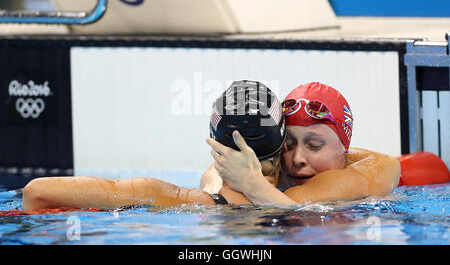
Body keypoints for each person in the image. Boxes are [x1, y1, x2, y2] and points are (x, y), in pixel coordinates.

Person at [22, 80, 285, 210]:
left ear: (215, 146)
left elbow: (37, 192)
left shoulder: (179, 200)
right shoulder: (315, 195)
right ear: (283, 144)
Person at [205, 82, 402, 206]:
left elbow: (294, 209)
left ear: (344, 147)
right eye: (288, 144)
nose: (297, 159)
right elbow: (215, 172)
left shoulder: (368, 174)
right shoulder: (269, 167)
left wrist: (251, 185)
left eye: (314, 145)